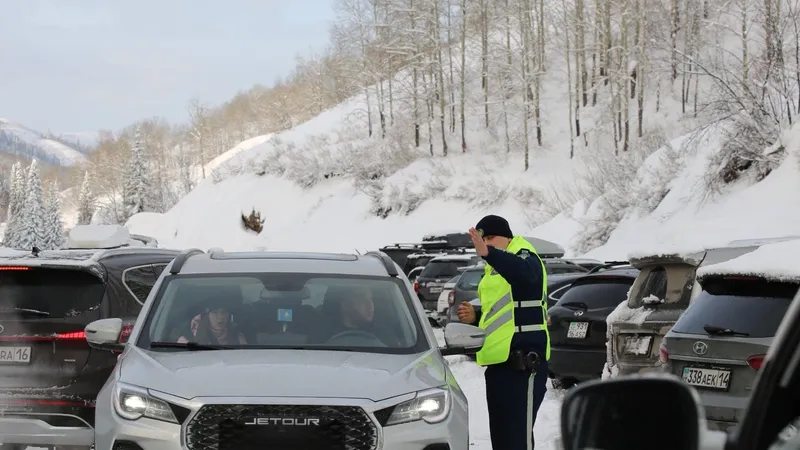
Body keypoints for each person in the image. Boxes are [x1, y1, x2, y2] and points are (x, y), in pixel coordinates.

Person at [457, 215, 549, 450]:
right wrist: (476, 317)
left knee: (517, 438)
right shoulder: (493, 269)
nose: (486, 243)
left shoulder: (523, 254)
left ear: (507, 237)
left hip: (524, 362)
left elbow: (526, 276)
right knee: (502, 437)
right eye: (482, 239)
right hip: (499, 362)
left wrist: (490, 254)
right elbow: (505, 312)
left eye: (491, 238)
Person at [178, 302, 247, 345]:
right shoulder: (188, 338)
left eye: (224, 312)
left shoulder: (238, 337)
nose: (221, 317)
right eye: (214, 312)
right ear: (207, 316)